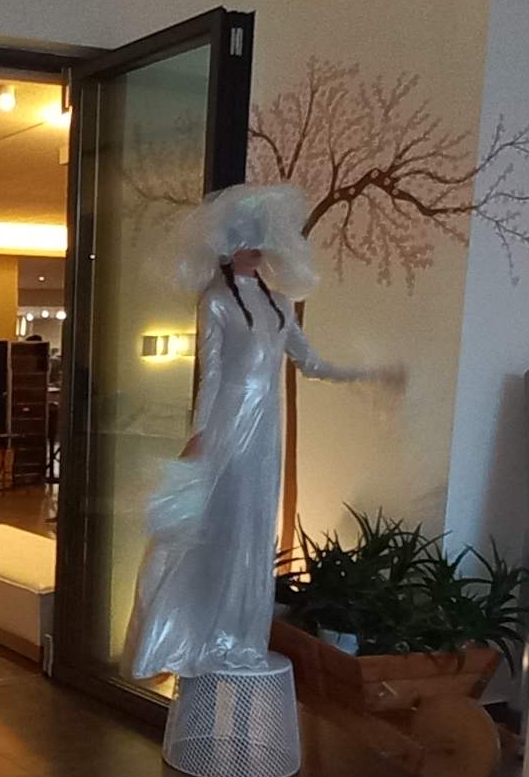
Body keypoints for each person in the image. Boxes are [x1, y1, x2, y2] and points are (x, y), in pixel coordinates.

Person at [120, 183, 397, 680]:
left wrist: (366, 374)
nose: (255, 250)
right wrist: (201, 434)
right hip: (227, 425)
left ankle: (238, 634)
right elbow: (212, 374)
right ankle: (197, 635)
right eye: (246, 242)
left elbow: (310, 362)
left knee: (251, 524)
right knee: (213, 527)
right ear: (228, 247)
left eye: (258, 242)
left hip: (264, 428)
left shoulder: (279, 305)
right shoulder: (216, 301)